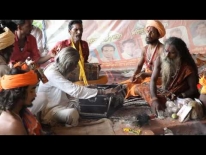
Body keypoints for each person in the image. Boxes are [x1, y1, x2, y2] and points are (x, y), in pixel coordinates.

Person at [29, 46, 120, 127]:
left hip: (63, 104)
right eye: (75, 63)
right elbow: (74, 90)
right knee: (72, 114)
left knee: (83, 105)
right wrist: (103, 92)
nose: (76, 66)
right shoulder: (52, 72)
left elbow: (71, 89)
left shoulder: (59, 68)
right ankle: (68, 129)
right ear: (68, 64)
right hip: (51, 109)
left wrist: (90, 88)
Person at [148, 37, 200, 115]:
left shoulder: (187, 68)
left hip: (179, 95)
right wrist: (154, 99)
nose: (167, 55)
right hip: (165, 91)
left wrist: (181, 95)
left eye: (172, 53)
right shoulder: (160, 59)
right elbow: (153, 80)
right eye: (166, 51)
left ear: (180, 54)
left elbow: (193, 89)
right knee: (144, 89)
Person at [49, 20, 107, 85]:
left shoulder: (84, 44)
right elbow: (54, 63)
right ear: (69, 31)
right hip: (65, 79)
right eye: (76, 30)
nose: (79, 32)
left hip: (79, 78)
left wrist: (93, 67)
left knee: (105, 78)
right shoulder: (61, 45)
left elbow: (84, 62)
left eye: (81, 29)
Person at [120, 20, 166, 99]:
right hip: (146, 77)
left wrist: (146, 75)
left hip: (158, 79)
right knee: (123, 85)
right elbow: (139, 66)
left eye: (152, 32)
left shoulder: (162, 49)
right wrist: (134, 76)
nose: (148, 34)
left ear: (158, 35)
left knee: (141, 87)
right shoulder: (145, 49)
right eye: (147, 32)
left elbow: (166, 72)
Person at [0, 66, 43, 135]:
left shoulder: (20, 111)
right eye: (31, 91)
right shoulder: (13, 125)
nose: (35, 95)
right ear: (19, 93)